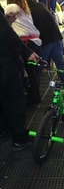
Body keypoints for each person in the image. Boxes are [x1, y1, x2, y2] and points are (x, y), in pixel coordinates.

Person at [0, 11, 39, 151]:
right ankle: (19, 139)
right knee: (14, 100)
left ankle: (4, 130)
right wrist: (25, 51)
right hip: (4, 65)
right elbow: (7, 34)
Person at [6, 0, 42, 105]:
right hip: (35, 41)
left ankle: (30, 98)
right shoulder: (25, 9)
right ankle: (35, 96)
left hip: (26, 43)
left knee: (22, 72)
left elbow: (5, 23)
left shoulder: (11, 8)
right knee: (33, 73)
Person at [22, 0, 64, 81]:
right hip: (56, 37)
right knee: (60, 63)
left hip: (45, 41)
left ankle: (34, 87)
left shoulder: (27, 11)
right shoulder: (41, 5)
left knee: (39, 65)